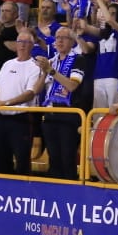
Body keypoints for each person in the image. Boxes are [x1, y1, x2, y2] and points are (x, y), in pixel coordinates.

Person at [0, 28, 41, 175]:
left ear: (32, 45)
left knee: (22, 160)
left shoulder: (34, 66)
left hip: (21, 119)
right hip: (2, 119)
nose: (22, 45)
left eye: (26, 42)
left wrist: (5, 103)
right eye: (20, 41)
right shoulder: (7, 64)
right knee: (1, 158)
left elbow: (29, 94)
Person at [37, 27, 83, 181]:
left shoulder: (78, 59)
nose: (60, 41)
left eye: (64, 38)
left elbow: (72, 86)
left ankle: (70, 195)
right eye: (57, 38)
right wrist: (44, 71)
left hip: (68, 115)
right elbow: (37, 89)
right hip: (49, 115)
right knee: (54, 160)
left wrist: (50, 71)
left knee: (67, 159)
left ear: (72, 42)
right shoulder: (51, 61)